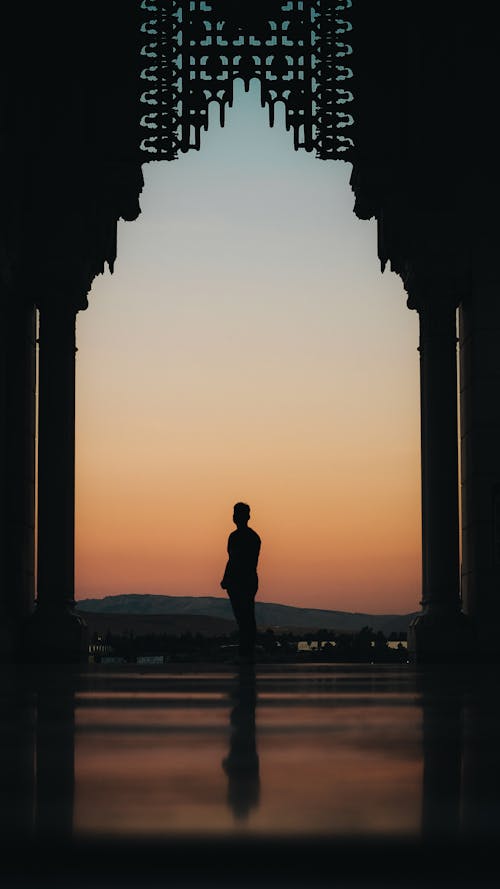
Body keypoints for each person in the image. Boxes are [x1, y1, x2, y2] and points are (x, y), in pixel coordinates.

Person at [221, 502, 261, 663]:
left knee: (246, 618)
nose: (235, 516)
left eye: (237, 513)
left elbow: (239, 561)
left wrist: (229, 578)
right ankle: (245, 653)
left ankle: (246, 654)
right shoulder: (235, 536)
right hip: (238, 582)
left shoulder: (250, 537)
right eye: (234, 513)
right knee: (243, 618)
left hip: (244, 581)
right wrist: (226, 578)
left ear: (246, 516)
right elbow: (231, 559)